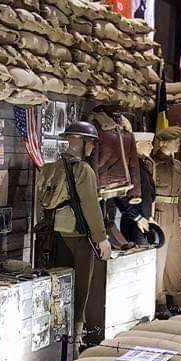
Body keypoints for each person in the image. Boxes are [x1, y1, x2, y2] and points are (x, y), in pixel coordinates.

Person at [36, 121, 111, 342]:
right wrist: (101, 238)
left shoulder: (50, 168)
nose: (93, 147)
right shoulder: (83, 170)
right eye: (91, 142)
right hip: (77, 236)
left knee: (58, 284)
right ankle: (76, 339)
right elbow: (90, 206)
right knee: (80, 287)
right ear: (79, 142)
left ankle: (58, 337)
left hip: (53, 234)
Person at [152, 126, 181, 317]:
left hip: (174, 213)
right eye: (174, 141)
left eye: (178, 141)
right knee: (159, 261)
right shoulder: (152, 164)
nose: (177, 144)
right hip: (159, 213)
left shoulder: (177, 166)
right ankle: (159, 303)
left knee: (174, 260)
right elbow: (149, 193)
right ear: (163, 143)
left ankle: (176, 301)